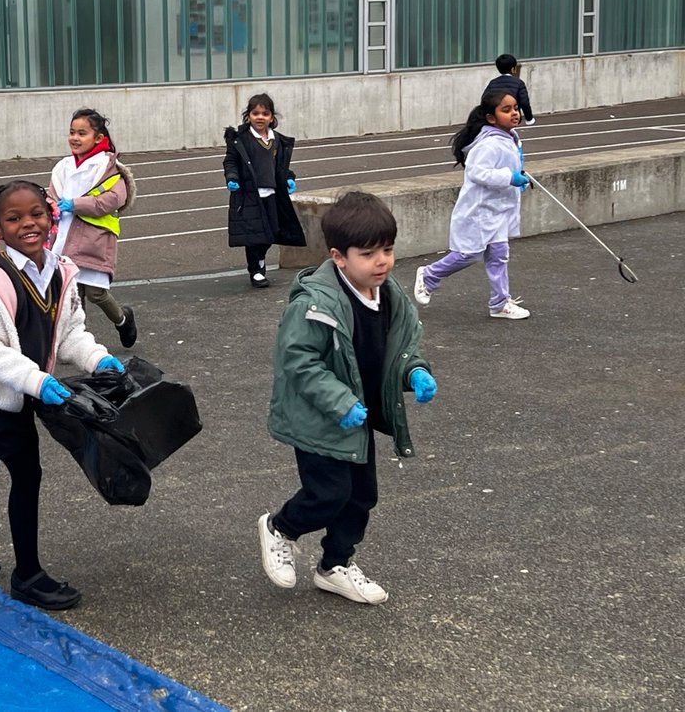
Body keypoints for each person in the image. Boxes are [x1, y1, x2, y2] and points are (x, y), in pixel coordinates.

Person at [0, 180, 125, 611]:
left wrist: (98, 360)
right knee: (26, 474)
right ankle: (28, 576)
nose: (27, 224)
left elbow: (70, 333)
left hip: (19, 392)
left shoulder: (60, 270)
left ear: (51, 218)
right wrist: (38, 382)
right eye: (13, 218)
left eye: (36, 213)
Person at [257, 191, 437, 604]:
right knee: (329, 493)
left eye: (388, 250)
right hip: (321, 418)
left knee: (361, 496)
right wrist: (339, 402)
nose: (382, 262)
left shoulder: (389, 296)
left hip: (359, 417)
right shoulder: (315, 303)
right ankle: (280, 528)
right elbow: (297, 361)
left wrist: (416, 372)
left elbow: (401, 348)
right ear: (340, 257)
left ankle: (335, 564)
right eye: (369, 253)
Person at [413, 89, 532, 320]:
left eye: (515, 108)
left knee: (499, 254)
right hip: (479, 210)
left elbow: (510, 165)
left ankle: (499, 303)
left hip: (498, 209)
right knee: (468, 254)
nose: (514, 113)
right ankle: (429, 275)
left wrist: (520, 177)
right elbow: (478, 172)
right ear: (491, 117)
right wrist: (510, 177)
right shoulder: (488, 144)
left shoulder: (511, 138)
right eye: (506, 110)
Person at [48, 108, 138, 348]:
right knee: (72, 293)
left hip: (94, 240)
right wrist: (49, 207)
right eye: (72, 132)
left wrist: (76, 204)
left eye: (82, 133)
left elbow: (112, 200)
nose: (74, 138)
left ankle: (123, 319)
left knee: (96, 293)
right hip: (66, 239)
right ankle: (77, 340)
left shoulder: (107, 168)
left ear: (98, 138)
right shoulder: (63, 167)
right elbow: (51, 194)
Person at [223, 93, 306, 288]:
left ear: (272, 117)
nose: (260, 117)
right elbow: (231, 162)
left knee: (273, 232)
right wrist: (232, 178)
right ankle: (257, 270)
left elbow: (279, 166)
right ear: (248, 116)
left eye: (265, 113)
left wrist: (288, 177)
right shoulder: (240, 140)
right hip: (250, 195)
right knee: (254, 235)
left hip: (272, 195)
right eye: (255, 113)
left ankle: (260, 259)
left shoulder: (276, 140)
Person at [484, 53, 535, 125]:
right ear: (513, 69)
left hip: (495, 117)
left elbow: (484, 99)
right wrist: (529, 118)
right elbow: (524, 103)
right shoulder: (519, 83)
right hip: (511, 117)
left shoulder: (493, 83)